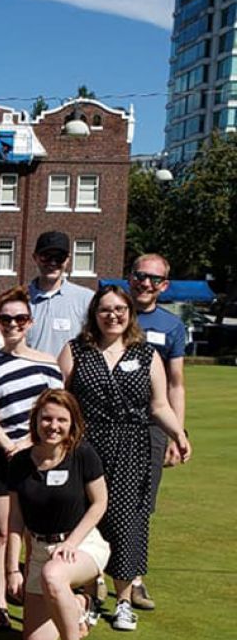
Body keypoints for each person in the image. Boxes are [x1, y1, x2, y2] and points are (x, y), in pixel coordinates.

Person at [58, 285, 191, 632]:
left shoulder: (147, 355)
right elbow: (60, 400)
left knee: (128, 521)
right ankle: (88, 597)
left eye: (119, 309)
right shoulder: (76, 351)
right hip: (86, 446)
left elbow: (159, 405)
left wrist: (178, 434)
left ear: (130, 314)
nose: (112, 316)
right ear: (94, 315)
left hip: (133, 445)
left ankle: (124, 601)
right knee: (86, 519)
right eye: (105, 309)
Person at [0, 286, 63, 629]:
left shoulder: (49, 364)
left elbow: (57, 413)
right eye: (6, 319)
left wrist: (29, 441)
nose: (12, 324)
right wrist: (9, 444)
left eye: (19, 318)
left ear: (29, 321)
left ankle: (35, 593)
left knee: (31, 532)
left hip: (38, 455)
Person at [7, 390, 110, 640]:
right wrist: (14, 567)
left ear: (72, 423)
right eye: (47, 418)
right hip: (39, 550)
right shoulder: (20, 462)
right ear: (36, 421)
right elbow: (15, 520)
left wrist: (71, 542)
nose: (53, 426)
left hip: (81, 543)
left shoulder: (82, 454)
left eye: (61, 420)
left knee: (54, 575)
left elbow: (100, 503)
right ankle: (79, 605)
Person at [127, 252, 188, 611]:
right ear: (130, 277)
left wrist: (176, 433)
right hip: (107, 422)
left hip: (151, 425)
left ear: (163, 285)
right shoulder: (111, 313)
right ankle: (94, 578)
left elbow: (176, 384)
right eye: (139, 275)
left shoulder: (170, 326)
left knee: (140, 503)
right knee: (96, 497)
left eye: (154, 279)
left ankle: (133, 577)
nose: (145, 283)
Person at [25, 231, 93, 357]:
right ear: (35, 258)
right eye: (46, 256)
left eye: (59, 257)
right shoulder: (20, 299)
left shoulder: (87, 299)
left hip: (67, 376)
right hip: (27, 375)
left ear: (68, 259)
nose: (53, 262)